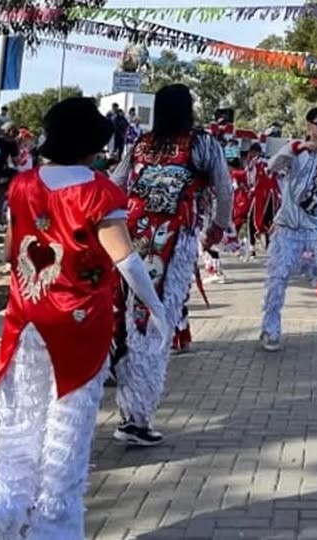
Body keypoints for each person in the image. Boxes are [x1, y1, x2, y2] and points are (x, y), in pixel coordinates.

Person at [0, 97, 169, 540]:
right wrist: (158, 309)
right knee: (66, 436)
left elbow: (8, 253)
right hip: (79, 328)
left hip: (26, 323)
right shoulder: (98, 191)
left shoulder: (22, 185)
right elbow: (128, 263)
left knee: (19, 428)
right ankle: (54, 529)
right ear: (92, 144)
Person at [110, 84, 231, 445]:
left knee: (134, 321)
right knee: (156, 323)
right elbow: (224, 189)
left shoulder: (142, 144)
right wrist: (217, 230)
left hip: (131, 239)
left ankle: (131, 410)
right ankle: (137, 418)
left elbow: (117, 183)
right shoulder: (202, 143)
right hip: (174, 242)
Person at [260, 107, 317, 351]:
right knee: (278, 279)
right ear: (309, 126)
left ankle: (308, 266)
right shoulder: (295, 149)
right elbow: (272, 166)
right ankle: (270, 328)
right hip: (288, 224)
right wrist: (295, 149)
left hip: (315, 223)